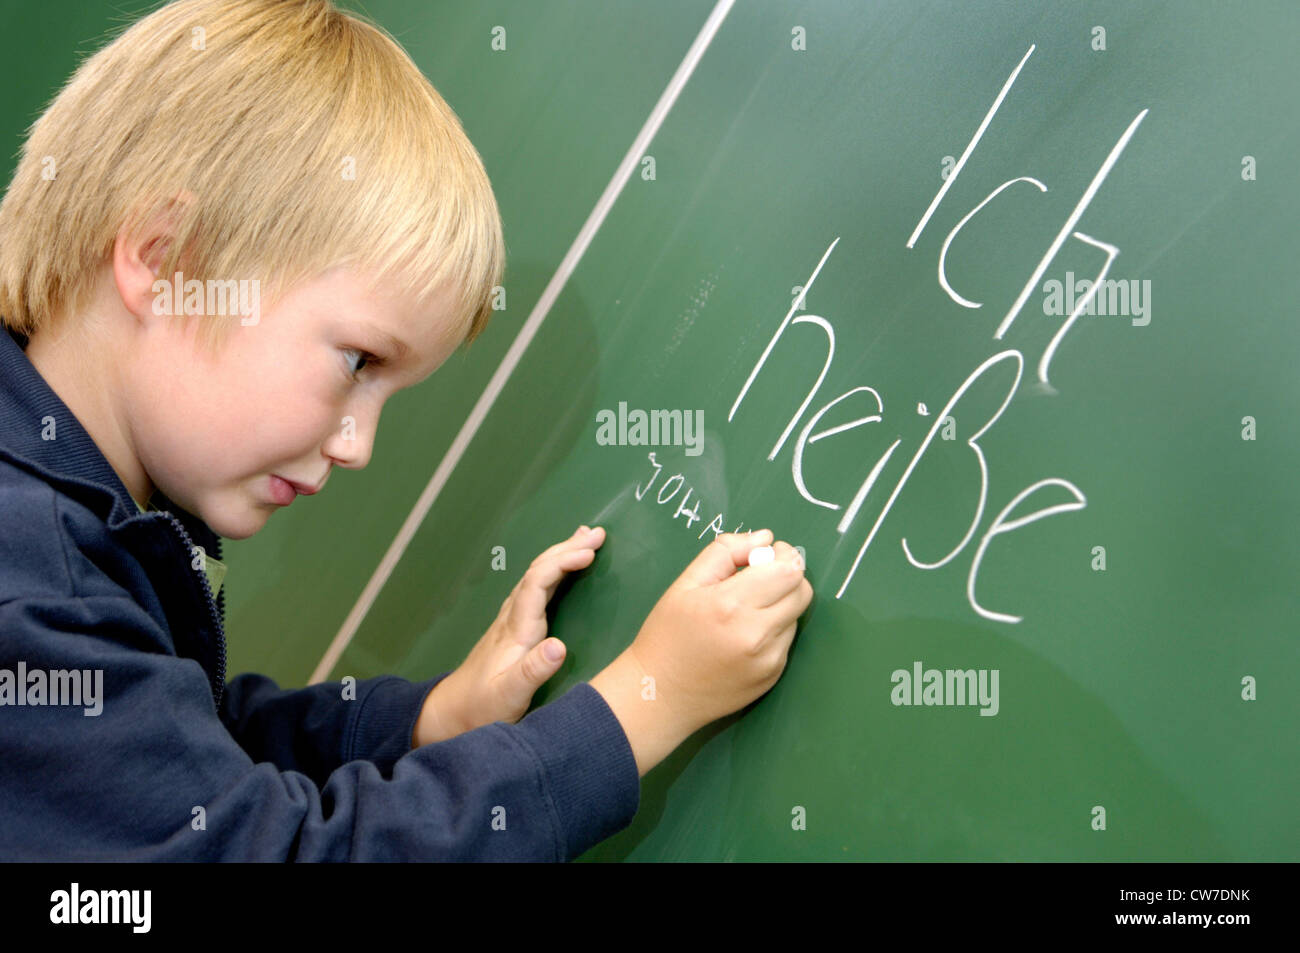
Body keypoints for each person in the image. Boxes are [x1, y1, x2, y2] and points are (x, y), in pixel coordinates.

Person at [0, 0, 812, 860]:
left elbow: (185, 755)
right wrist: (645, 703)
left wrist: (428, 720)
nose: (359, 447)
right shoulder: (34, 588)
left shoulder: (64, 539)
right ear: (167, 260)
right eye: (357, 363)